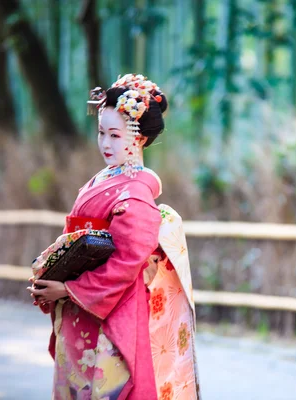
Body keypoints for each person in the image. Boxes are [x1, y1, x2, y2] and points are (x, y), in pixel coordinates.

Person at [28, 74, 200, 400]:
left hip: (112, 310)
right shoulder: (106, 179)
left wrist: (68, 288)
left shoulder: (135, 196)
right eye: (101, 133)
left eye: (115, 135)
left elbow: (125, 264)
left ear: (138, 139)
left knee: (104, 388)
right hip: (82, 303)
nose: (106, 143)